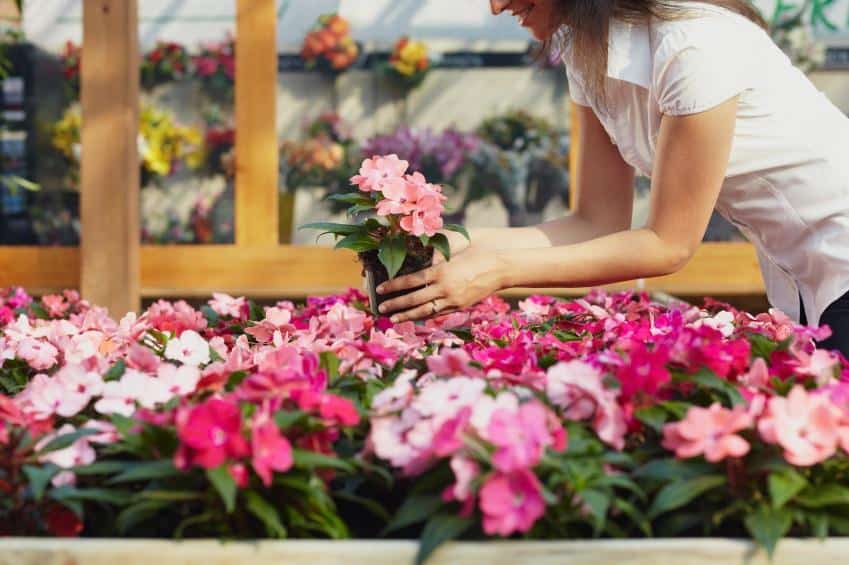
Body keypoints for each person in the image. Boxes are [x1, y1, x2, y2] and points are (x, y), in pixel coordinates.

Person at [376, 0, 849, 357]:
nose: (496, 6)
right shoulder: (586, 54)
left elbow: (668, 245)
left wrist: (499, 270)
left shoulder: (693, 47)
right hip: (806, 278)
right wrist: (448, 243)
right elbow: (594, 221)